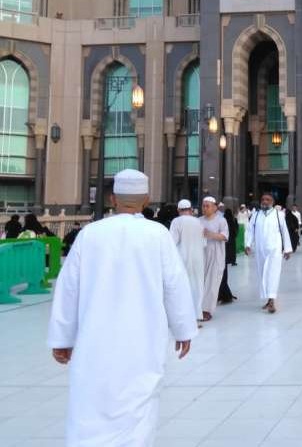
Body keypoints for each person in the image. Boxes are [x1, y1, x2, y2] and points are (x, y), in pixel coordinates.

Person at [47, 169, 196, 446]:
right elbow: (175, 285)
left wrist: (62, 339)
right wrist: (183, 329)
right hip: (142, 342)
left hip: (95, 343)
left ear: (112, 199)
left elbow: (68, 289)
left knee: (90, 408)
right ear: (146, 200)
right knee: (138, 410)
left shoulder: (90, 235)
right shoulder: (157, 235)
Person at [245, 192, 293, 312]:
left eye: (267, 199)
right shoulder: (256, 215)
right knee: (263, 274)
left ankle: (272, 300)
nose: (264, 201)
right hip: (260, 250)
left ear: (272, 202)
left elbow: (284, 232)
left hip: (274, 249)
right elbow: (250, 230)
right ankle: (268, 299)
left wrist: (287, 249)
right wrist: (247, 244)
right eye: (263, 199)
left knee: (273, 273)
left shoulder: (279, 214)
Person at [169, 199, 205, 325]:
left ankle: (185, 315)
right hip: (198, 258)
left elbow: (172, 242)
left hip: (181, 257)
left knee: (184, 285)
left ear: (179, 210)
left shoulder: (176, 221)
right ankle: (197, 314)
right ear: (190, 209)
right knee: (198, 284)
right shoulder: (198, 222)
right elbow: (204, 242)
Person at [200, 197, 228, 321]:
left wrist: (209, 234)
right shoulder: (198, 220)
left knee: (212, 283)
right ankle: (198, 308)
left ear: (215, 207)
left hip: (216, 255)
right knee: (201, 282)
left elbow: (224, 236)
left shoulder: (221, 221)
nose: (205, 208)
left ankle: (207, 310)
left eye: (207, 206)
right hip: (201, 254)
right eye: (203, 206)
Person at [219, 204, 238, 303]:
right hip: (230, 244)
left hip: (223, 247)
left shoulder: (222, 221)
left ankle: (223, 294)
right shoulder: (233, 220)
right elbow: (236, 231)